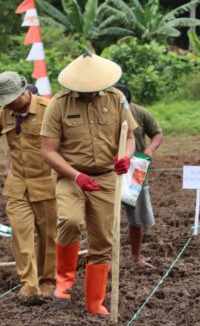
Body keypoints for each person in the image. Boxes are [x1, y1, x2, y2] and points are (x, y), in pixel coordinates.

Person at [40, 53, 137, 315]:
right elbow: (48, 151)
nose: (90, 94)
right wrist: (76, 176)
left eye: (94, 89)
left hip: (106, 177)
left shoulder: (117, 99)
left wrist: (125, 158)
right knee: (71, 221)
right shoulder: (58, 104)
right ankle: (64, 283)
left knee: (103, 239)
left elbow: (129, 138)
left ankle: (95, 301)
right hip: (70, 176)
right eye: (84, 90)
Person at [0, 71, 56, 301]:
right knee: (20, 233)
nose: (10, 103)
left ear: (24, 91)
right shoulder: (4, 113)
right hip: (17, 184)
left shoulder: (49, 110)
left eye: (13, 98)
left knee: (47, 236)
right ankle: (29, 284)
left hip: (46, 182)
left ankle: (47, 281)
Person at [114, 84, 163, 268]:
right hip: (108, 169)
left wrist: (150, 148)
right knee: (106, 217)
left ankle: (137, 257)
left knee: (137, 218)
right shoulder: (102, 113)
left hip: (135, 169)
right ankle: (106, 259)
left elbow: (157, 133)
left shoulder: (140, 113)